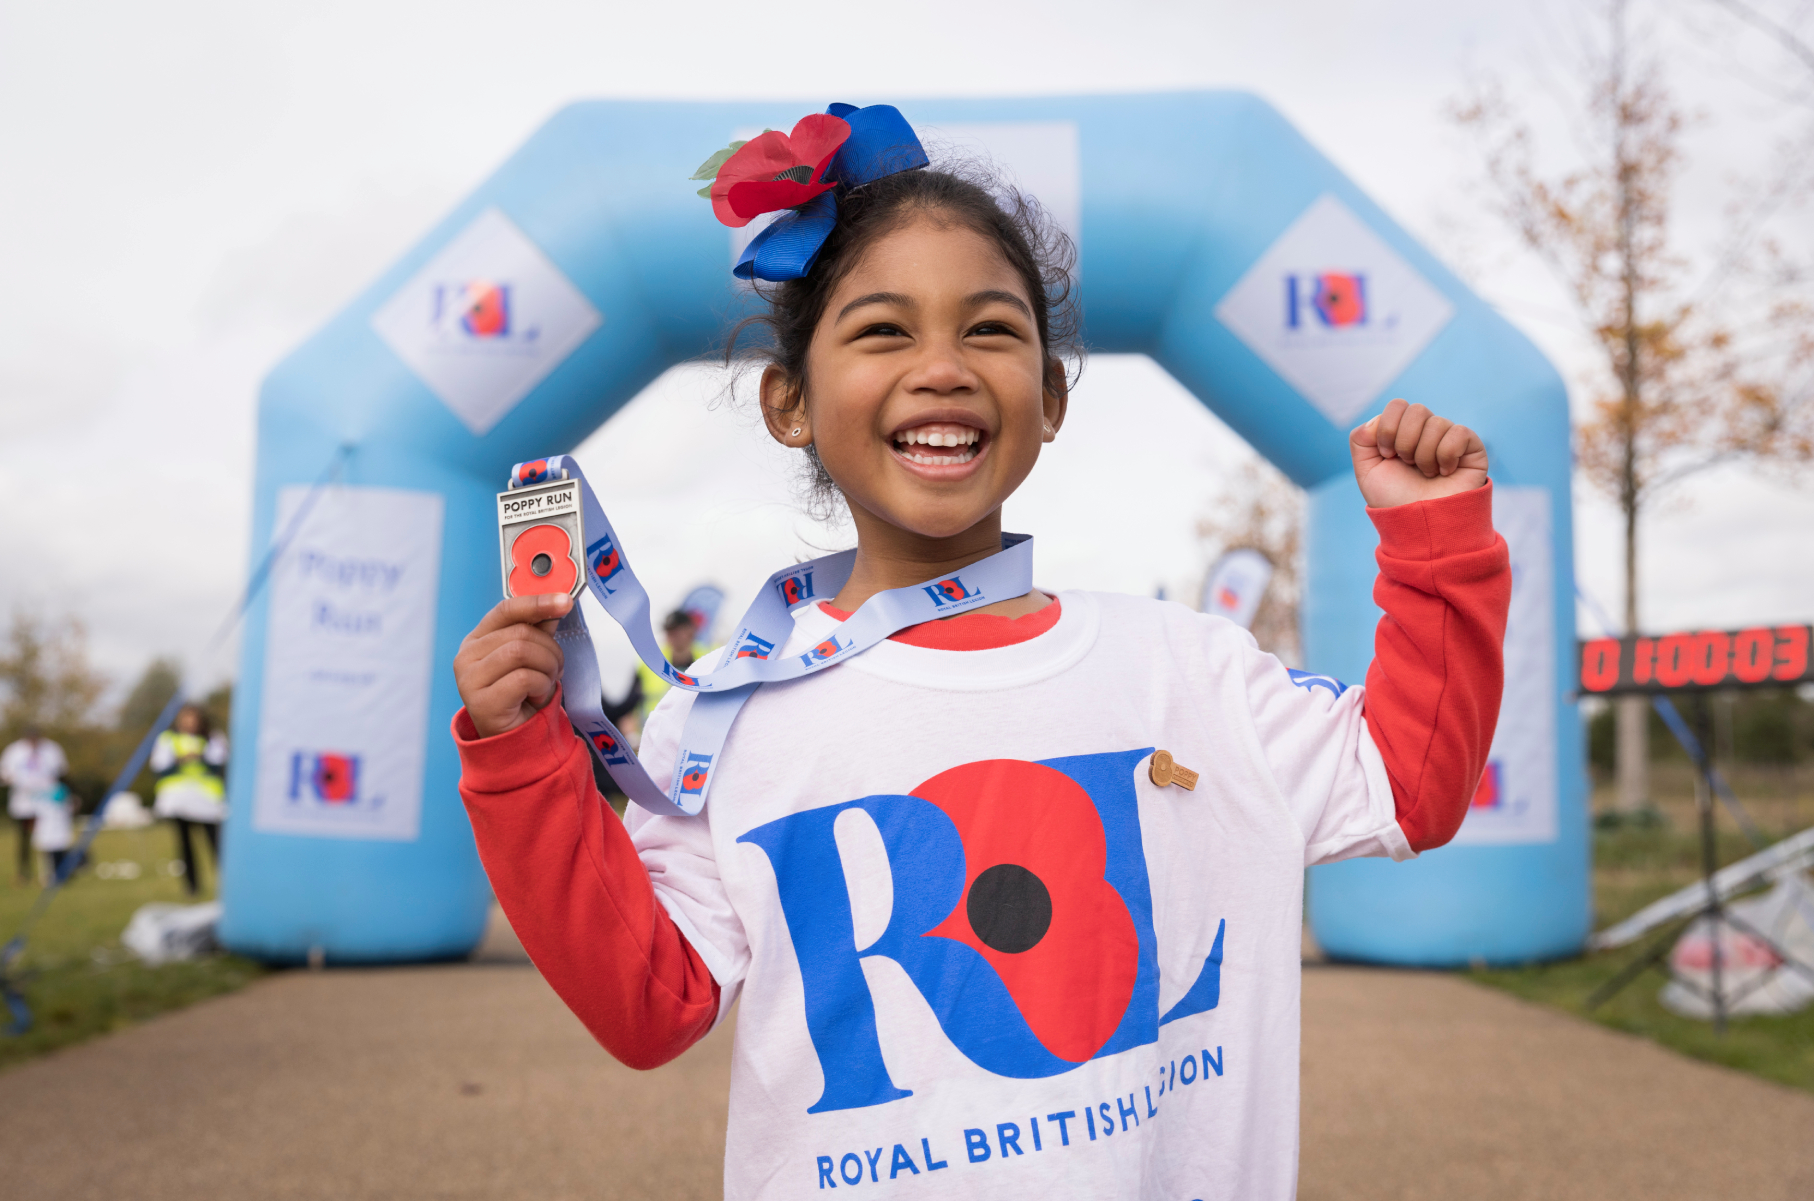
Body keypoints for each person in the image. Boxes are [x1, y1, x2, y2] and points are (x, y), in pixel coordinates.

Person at [451, 104, 1510, 1201]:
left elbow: (1407, 783)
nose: (942, 367)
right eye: (881, 331)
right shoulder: (715, 720)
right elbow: (647, 1006)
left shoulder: (1189, 669)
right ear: (789, 403)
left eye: (992, 330)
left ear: (1049, 398)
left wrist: (1436, 548)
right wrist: (520, 760)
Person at [150, 704, 227, 896]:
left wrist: (199, 757)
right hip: (178, 801)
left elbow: (219, 764)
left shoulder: (213, 738)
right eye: (186, 719)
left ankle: (227, 884)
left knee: (216, 844)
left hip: (207, 800)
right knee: (185, 844)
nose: (190, 723)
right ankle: (192, 887)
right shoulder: (167, 739)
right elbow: (159, 768)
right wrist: (180, 761)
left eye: (193, 719)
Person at [1, 726, 66, 885]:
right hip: (24, 800)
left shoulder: (51, 749)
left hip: (47, 800)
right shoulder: (14, 751)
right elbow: (4, 775)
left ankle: (50, 872)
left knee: (48, 837)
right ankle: (24, 872)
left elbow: (61, 772)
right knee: (25, 838)